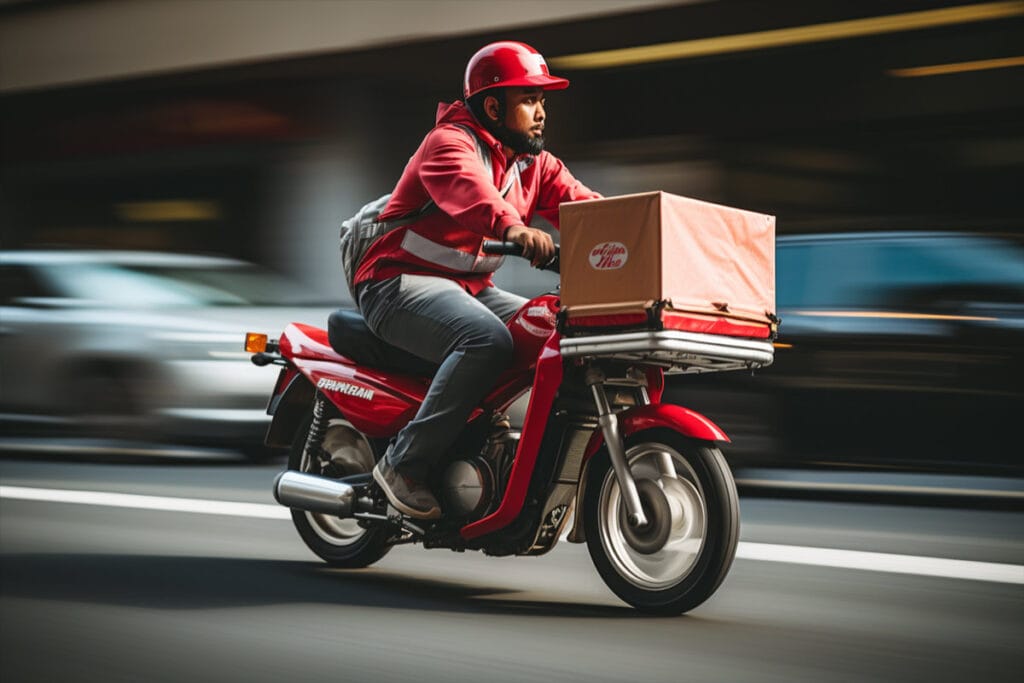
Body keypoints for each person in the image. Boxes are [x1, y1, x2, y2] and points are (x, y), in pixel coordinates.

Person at [355, 41, 601, 519]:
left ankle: (496, 448)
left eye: (543, 100)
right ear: (493, 106)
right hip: (395, 284)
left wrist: (644, 234)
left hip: (469, 290)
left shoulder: (534, 164)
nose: (541, 112)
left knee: (557, 323)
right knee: (486, 341)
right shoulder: (448, 143)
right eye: (530, 99)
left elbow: (589, 209)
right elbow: (470, 191)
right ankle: (404, 464)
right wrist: (514, 228)